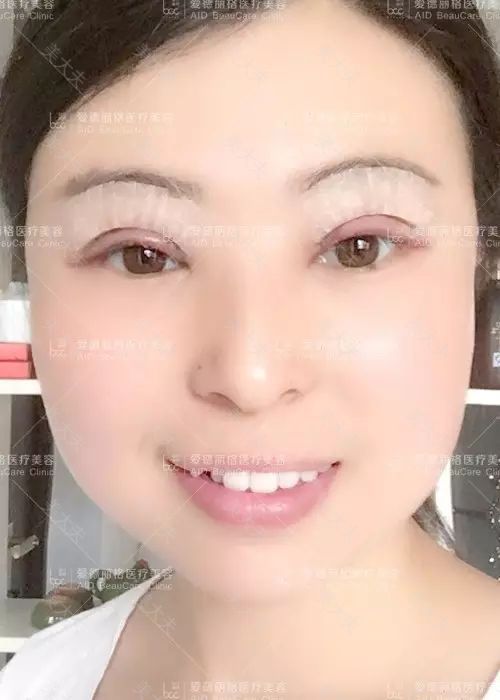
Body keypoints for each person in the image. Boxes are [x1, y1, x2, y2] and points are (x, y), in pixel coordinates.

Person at [1, 0, 500, 697]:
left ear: (480, 264)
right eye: (143, 255)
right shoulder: (36, 678)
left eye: (358, 248)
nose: (250, 375)